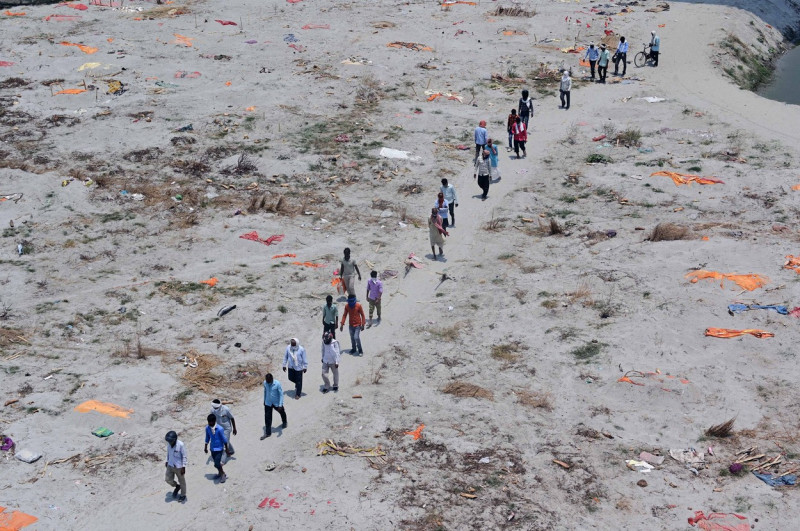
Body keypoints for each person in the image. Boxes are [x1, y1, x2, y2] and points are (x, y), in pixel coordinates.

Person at [204, 414, 229, 484]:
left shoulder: (220, 429)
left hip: (219, 449)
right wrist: (205, 447)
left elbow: (224, 439)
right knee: (216, 463)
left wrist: (226, 449)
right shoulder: (207, 428)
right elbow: (207, 438)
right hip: (212, 448)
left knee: (217, 464)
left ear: (214, 421)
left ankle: (223, 474)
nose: (210, 423)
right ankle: (220, 473)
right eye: (209, 422)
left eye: (211, 422)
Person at [261, 373, 287, 439]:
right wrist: (264, 400)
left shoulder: (277, 383)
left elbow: (281, 394)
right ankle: (268, 433)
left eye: (269, 381)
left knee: (282, 412)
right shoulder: (265, 383)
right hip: (268, 403)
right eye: (267, 380)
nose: (268, 382)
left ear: (272, 379)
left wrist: (280, 405)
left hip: (276, 402)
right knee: (267, 418)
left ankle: (284, 422)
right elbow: (265, 392)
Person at [164, 431, 187, 502]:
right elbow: (168, 453)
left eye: (170, 441)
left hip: (179, 467)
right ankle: (177, 486)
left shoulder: (181, 445)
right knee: (168, 479)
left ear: (174, 439)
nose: (169, 442)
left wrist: (183, 467)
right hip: (170, 464)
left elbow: (184, 456)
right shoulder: (169, 444)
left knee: (182, 481)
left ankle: (183, 495)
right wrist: (167, 461)